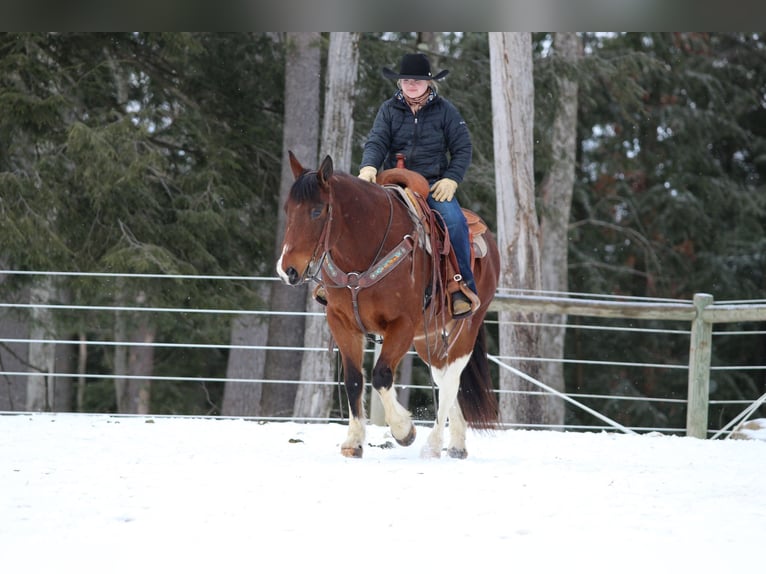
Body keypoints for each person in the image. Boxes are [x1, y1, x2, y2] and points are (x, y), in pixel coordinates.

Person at [358, 52, 480, 319]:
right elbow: (377, 141)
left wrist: (452, 178)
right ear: (399, 82)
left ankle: (459, 286)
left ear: (429, 82)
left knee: (455, 222)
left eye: (417, 80)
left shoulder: (446, 111)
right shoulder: (388, 109)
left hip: (432, 184)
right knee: (356, 215)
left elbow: (462, 148)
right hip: (392, 181)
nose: (411, 84)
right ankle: (339, 282)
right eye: (406, 80)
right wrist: (368, 166)